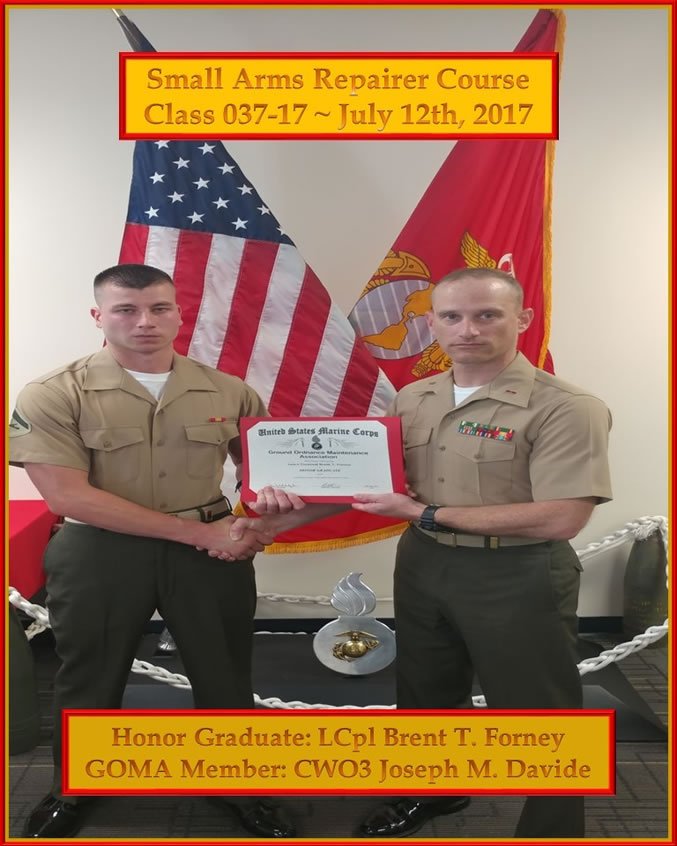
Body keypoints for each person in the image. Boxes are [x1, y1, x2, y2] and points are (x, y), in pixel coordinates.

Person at [233, 267, 612, 839]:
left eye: (487, 315)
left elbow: (562, 516)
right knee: (426, 690)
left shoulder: (565, 406)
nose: (468, 329)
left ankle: (553, 829)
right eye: (452, 316)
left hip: (516, 572)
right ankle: (433, 790)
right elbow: (371, 486)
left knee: (538, 707)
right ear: (431, 323)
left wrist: (425, 513)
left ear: (522, 320)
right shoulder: (414, 397)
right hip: (426, 563)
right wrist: (270, 523)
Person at [9, 264, 295, 839]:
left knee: (224, 673)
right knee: (89, 675)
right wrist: (201, 535)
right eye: (126, 309)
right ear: (98, 316)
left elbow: (262, 470)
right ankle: (78, 786)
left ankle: (236, 783)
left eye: (159, 308)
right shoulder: (54, 392)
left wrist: (263, 512)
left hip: (208, 553)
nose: (145, 321)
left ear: (179, 314)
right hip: (101, 551)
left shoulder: (229, 390)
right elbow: (68, 496)